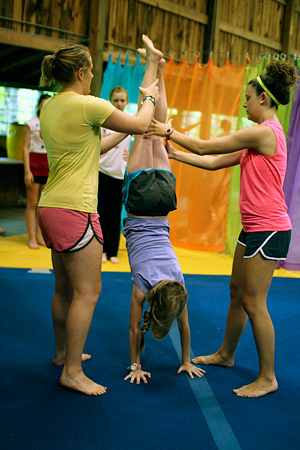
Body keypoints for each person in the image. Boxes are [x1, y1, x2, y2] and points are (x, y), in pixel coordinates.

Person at [146, 60, 296, 397]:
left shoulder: (265, 131)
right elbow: (213, 162)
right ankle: (226, 354)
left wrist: (167, 131)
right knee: (236, 293)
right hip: (253, 227)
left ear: (264, 99)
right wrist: (175, 155)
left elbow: (205, 145)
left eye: (248, 98)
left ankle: (268, 377)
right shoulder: (257, 139)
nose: (244, 104)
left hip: (269, 228)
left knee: (255, 303)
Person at [37, 35, 159, 396]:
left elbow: (89, 148)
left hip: (52, 205)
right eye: (92, 71)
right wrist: (149, 96)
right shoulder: (89, 104)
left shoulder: (50, 106)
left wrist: (122, 136)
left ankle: (63, 355)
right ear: (81, 71)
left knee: (64, 289)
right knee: (88, 293)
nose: (94, 77)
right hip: (76, 208)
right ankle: (72, 371)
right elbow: (140, 123)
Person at [123, 47, 205, 384]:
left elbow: (184, 326)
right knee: (146, 130)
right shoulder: (144, 286)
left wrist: (184, 358)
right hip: (141, 202)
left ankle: (158, 65)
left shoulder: (178, 282)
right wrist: (136, 366)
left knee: (155, 128)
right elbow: (133, 328)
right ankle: (151, 63)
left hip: (163, 201)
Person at [98, 86, 131, 264]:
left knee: (115, 214)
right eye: (116, 100)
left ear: (127, 101)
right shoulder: (104, 121)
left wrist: (129, 156)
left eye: (122, 100)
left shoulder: (129, 122)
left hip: (119, 175)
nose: (119, 104)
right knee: (101, 213)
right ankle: (101, 250)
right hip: (102, 172)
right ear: (111, 100)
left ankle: (112, 251)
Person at [23, 94, 51, 249]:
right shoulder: (31, 124)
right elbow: (26, 147)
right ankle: (31, 237)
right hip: (35, 164)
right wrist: (27, 171)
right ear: (39, 105)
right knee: (33, 202)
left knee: (43, 204)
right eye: (43, 104)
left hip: (49, 165)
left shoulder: (54, 123)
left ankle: (40, 235)